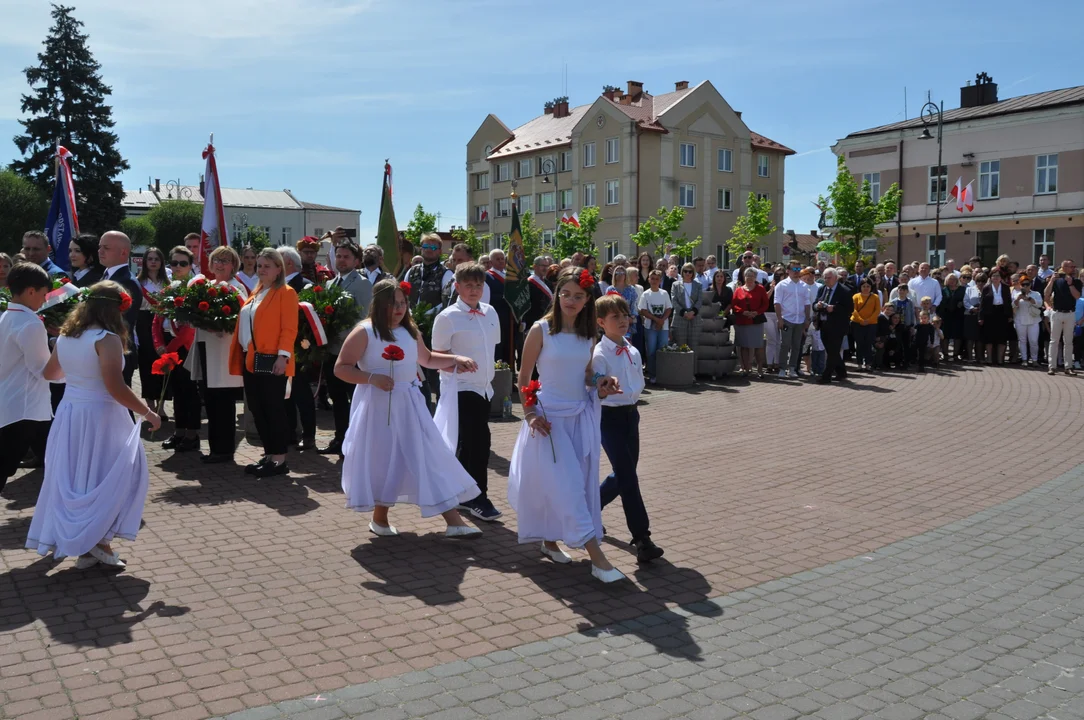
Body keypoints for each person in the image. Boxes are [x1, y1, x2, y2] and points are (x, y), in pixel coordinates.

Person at [27, 280, 161, 569]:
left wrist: (76, 379)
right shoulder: (107, 338)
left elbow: (50, 373)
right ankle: (97, 542)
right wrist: (148, 412)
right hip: (102, 415)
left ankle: (88, 546)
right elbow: (116, 387)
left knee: (78, 476)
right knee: (111, 475)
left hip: (71, 413)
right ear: (115, 309)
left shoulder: (66, 337)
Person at [335, 278, 482, 537]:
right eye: (392, 304)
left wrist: (455, 359)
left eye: (402, 303)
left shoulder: (410, 331)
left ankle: (454, 521)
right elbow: (341, 368)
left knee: (427, 454)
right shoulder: (365, 331)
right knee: (384, 459)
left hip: (411, 404)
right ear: (379, 305)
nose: (399, 309)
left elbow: (426, 359)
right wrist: (372, 378)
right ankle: (380, 519)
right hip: (377, 407)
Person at [509, 267, 625, 583]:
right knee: (571, 487)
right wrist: (531, 414)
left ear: (588, 300)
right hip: (548, 423)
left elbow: (586, 375)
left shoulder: (589, 335)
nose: (571, 301)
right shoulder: (540, 330)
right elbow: (523, 378)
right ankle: (597, 559)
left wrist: (603, 381)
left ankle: (549, 541)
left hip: (579, 418)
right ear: (557, 294)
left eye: (578, 296)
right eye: (566, 294)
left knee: (567, 485)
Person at [593, 295, 662, 563]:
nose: (622, 321)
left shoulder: (631, 349)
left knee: (624, 474)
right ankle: (642, 538)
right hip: (609, 418)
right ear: (601, 322)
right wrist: (603, 386)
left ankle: (591, 508)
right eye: (615, 317)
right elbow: (594, 384)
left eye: (625, 315)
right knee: (628, 478)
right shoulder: (600, 354)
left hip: (631, 417)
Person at [431, 262, 502, 522]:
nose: (474, 291)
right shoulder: (447, 317)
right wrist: (456, 360)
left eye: (478, 285)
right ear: (457, 287)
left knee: (468, 444)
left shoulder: (491, 312)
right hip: (460, 388)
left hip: (484, 388)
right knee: (479, 443)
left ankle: (460, 493)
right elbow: (434, 355)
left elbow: (491, 348)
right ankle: (477, 497)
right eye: (468, 286)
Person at [229, 248, 299, 478]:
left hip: (272, 359)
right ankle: (270, 454)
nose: (261, 270)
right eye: (259, 265)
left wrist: (283, 356)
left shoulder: (285, 293)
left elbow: (289, 328)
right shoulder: (256, 293)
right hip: (252, 359)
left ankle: (279, 459)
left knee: (274, 410)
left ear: (279, 268)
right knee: (258, 410)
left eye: (267, 266)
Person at [189, 246, 249, 463]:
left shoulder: (236, 288)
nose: (220, 264)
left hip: (224, 353)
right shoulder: (204, 286)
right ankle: (216, 448)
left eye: (225, 260)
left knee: (222, 402)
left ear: (234, 265)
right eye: (216, 260)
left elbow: (242, 320)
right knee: (211, 400)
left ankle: (223, 450)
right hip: (206, 348)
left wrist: (221, 326)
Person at [0, 263, 54, 495]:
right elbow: (43, 370)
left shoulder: (7, 316)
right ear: (31, 291)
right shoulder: (30, 323)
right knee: (4, 467)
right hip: (23, 408)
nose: (44, 301)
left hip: (14, 404)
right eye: (43, 294)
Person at [318, 241, 372, 457]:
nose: (341, 260)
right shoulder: (331, 284)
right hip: (333, 351)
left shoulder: (363, 284)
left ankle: (356, 443)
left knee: (354, 399)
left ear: (356, 261)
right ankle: (340, 439)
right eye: (338, 256)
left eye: (346, 257)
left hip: (353, 352)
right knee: (337, 399)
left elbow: (365, 318)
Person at [152, 247, 201, 451]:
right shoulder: (167, 291)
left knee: (190, 392)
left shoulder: (195, 289)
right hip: (169, 348)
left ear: (191, 266)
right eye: (174, 263)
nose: (178, 267)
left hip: (186, 348)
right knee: (177, 391)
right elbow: (156, 321)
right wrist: (159, 346)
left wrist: (169, 349)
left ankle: (192, 434)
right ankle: (179, 431)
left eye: (183, 263)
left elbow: (189, 329)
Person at [279, 247, 316, 449]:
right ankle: (290, 432)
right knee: (286, 393)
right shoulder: (277, 286)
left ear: (289, 263)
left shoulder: (305, 286)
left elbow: (311, 320)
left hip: (299, 348)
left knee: (301, 393)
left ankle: (309, 435)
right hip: (281, 348)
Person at [97, 231, 142, 385]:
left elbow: (120, 322)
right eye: (100, 247)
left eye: (106, 248)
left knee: (120, 406)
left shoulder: (126, 282)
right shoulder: (108, 276)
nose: (100, 251)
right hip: (107, 350)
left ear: (123, 252)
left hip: (118, 351)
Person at [135, 247, 169, 419]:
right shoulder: (138, 283)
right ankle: (150, 405)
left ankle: (161, 406)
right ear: (145, 262)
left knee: (163, 363)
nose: (153, 262)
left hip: (162, 324)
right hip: (144, 323)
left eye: (157, 259)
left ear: (161, 262)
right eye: (150, 259)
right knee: (147, 364)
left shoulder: (167, 282)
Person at [814, 269, 854, 384]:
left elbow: (849, 309)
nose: (826, 280)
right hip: (823, 324)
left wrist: (834, 309)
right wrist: (818, 305)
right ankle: (841, 372)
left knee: (833, 351)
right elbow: (814, 305)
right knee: (832, 351)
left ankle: (826, 376)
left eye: (829, 278)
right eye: (825, 277)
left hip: (838, 326)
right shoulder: (822, 289)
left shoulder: (844, 291)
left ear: (836, 278)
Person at [1044, 260, 1081, 375]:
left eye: (1074, 266)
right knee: (1054, 341)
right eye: (1071, 266)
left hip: (1070, 313)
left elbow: (1077, 296)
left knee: (1068, 341)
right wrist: (1051, 281)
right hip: (1057, 313)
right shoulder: (1056, 280)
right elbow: (1046, 294)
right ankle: (1052, 366)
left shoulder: (1076, 281)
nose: (1073, 268)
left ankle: (1068, 366)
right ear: (1064, 267)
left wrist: (1070, 284)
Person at [773, 263, 810, 378]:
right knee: (785, 344)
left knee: (796, 345)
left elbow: (807, 304)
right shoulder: (781, 285)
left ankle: (792, 368)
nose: (796, 271)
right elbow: (777, 303)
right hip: (786, 319)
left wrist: (807, 319)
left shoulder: (804, 286)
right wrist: (779, 319)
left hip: (800, 320)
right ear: (788, 271)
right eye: (794, 269)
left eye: (799, 269)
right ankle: (782, 368)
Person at [732, 267, 768, 378]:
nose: (750, 278)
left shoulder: (760, 288)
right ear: (744, 277)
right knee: (744, 346)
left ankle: (760, 369)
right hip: (742, 321)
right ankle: (746, 368)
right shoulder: (738, 290)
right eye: (748, 276)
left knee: (758, 346)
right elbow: (734, 304)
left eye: (752, 276)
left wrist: (757, 312)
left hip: (756, 321)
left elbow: (765, 304)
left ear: (755, 277)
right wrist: (743, 312)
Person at [638, 270, 672, 384]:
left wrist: (662, 320)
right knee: (651, 351)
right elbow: (642, 310)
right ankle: (653, 374)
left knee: (662, 350)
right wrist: (656, 319)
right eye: (652, 278)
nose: (654, 281)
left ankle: (663, 373)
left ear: (660, 280)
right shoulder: (645, 294)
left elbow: (668, 308)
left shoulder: (664, 293)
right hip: (650, 326)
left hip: (664, 326)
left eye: (657, 279)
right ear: (649, 279)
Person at [485, 248, 514, 367]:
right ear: (491, 262)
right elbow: (488, 296)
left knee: (509, 346)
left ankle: (509, 373)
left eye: (503, 259)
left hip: (510, 317)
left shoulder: (510, 275)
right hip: (496, 316)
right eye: (498, 259)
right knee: (498, 347)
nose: (501, 261)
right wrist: (505, 297)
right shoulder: (487, 276)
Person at [670, 263, 702, 357]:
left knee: (694, 347)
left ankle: (693, 371)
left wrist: (693, 312)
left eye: (690, 271)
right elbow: (674, 300)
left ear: (693, 273)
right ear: (682, 272)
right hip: (680, 317)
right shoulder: (675, 285)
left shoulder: (698, 285)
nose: (687, 273)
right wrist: (683, 313)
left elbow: (700, 300)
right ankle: (682, 370)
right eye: (685, 271)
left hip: (694, 317)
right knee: (681, 346)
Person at [980, 270, 1011, 365]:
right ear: (990, 278)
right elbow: (982, 304)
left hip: (1002, 313)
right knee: (989, 337)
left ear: (1001, 278)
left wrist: (1010, 315)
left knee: (1001, 337)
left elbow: (1008, 303)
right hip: (990, 313)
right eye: (994, 276)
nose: (996, 277)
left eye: (998, 276)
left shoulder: (1006, 288)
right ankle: (989, 359)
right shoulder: (986, 288)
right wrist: (980, 317)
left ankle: (1000, 360)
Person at [850, 277, 880, 371]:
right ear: (860, 287)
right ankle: (859, 364)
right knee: (859, 344)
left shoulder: (875, 297)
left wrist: (869, 320)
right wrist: (861, 320)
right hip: (857, 323)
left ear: (871, 287)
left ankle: (868, 364)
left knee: (868, 344)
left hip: (871, 324)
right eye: (864, 286)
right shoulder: (855, 296)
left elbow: (877, 310)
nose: (866, 288)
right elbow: (853, 310)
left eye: (868, 286)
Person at [1013, 275, 1043, 367]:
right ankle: (1024, 359)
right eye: (1023, 284)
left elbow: (1039, 304)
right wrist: (1018, 299)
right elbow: (1013, 307)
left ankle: (1034, 360)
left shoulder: (1036, 294)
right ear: (1020, 285)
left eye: (1027, 284)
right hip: (1020, 320)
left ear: (1031, 284)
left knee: (1033, 341)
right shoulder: (1016, 293)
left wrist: (1029, 299)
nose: (1025, 286)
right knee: (1022, 341)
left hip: (1033, 320)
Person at [939, 273, 966, 362]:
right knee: (945, 336)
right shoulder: (943, 290)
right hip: (946, 315)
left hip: (958, 315)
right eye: (950, 279)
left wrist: (962, 303)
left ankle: (955, 355)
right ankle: (945, 354)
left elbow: (966, 300)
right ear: (946, 280)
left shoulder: (962, 289)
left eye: (954, 279)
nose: (952, 281)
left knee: (957, 336)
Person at [523, 255, 554, 333]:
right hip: (533, 322)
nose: (545, 268)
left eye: (547, 266)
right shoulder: (528, 283)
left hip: (547, 321)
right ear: (535, 266)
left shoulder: (548, 283)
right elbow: (524, 304)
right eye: (543, 266)